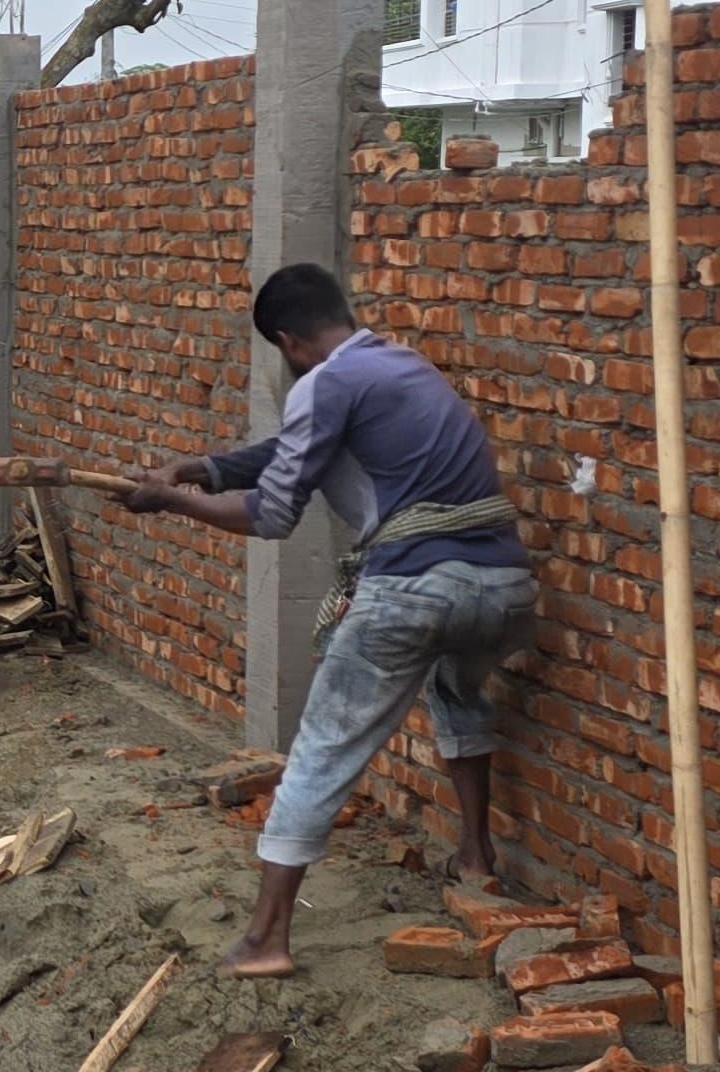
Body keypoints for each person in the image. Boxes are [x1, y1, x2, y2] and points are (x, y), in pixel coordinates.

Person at [118, 262, 534, 975]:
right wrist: (201, 469)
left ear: (287, 341)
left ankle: (265, 941)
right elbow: (294, 452)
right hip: (502, 588)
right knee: (455, 690)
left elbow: (274, 513)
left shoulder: (323, 383)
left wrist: (174, 503)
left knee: (320, 750)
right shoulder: (401, 366)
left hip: (416, 589)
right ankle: (475, 856)